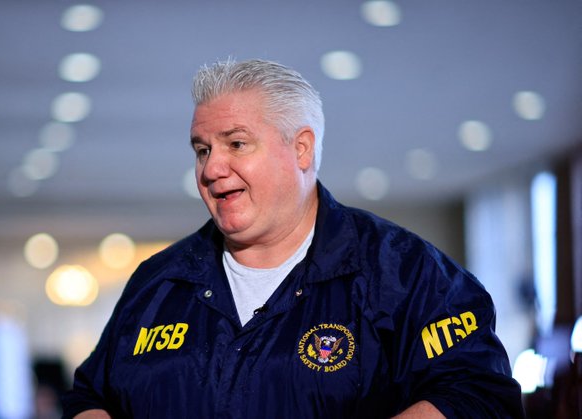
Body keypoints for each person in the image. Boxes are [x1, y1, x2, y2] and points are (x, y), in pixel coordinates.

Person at [61, 59, 524, 418]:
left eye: (236, 144)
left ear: (300, 148)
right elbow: (89, 394)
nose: (211, 169)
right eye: (202, 150)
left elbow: (479, 393)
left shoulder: (404, 274)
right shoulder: (158, 284)